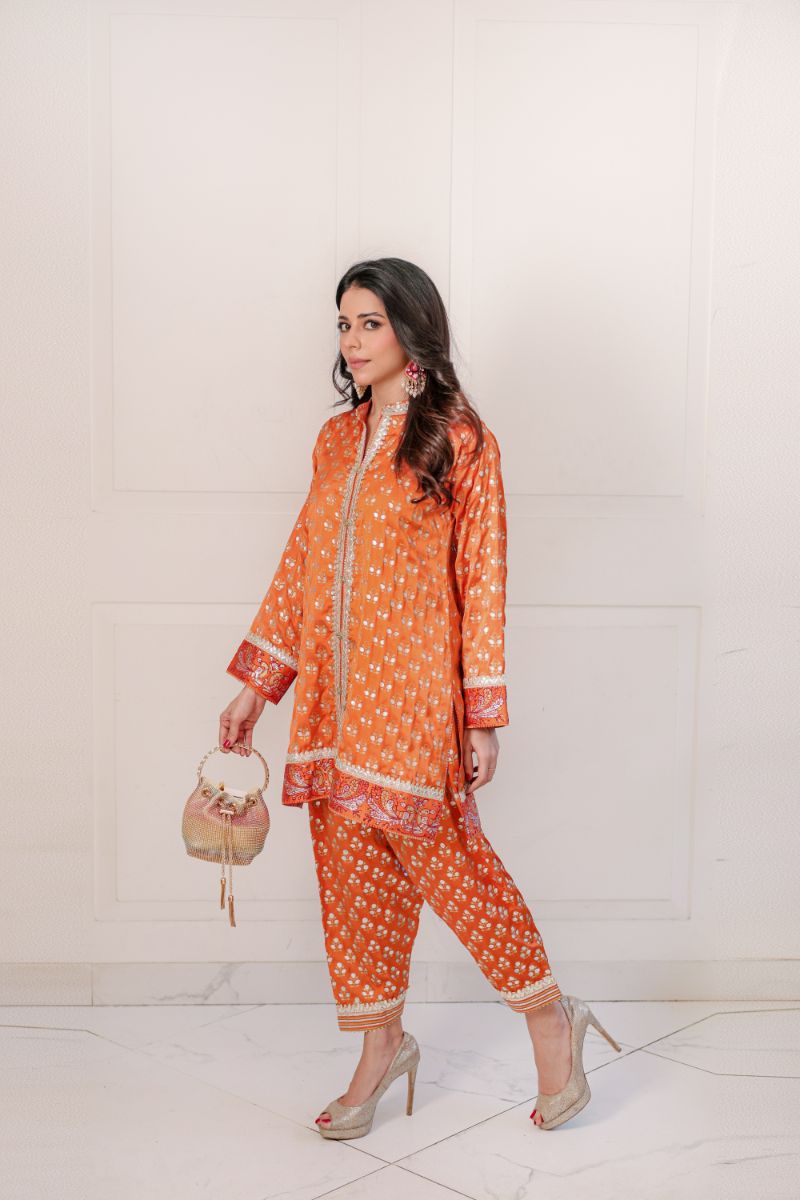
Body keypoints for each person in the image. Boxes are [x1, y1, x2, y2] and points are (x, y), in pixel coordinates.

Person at [218, 258, 621, 1135]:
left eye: (370, 322)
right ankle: (381, 1046)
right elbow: (301, 565)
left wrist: (482, 716)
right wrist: (258, 688)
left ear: (412, 327)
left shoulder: (461, 440)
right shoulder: (336, 440)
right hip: (331, 702)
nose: (352, 340)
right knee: (351, 876)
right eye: (344, 323)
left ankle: (552, 1019)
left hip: (413, 702)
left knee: (455, 867)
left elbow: (484, 579)